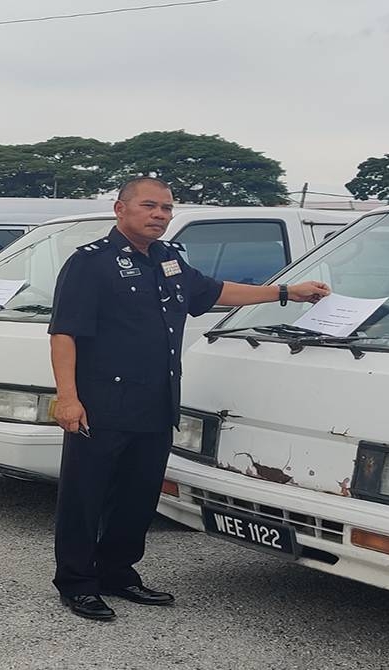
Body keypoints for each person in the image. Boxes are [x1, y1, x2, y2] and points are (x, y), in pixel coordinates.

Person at [49, 177, 330, 621]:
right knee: (85, 496)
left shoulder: (169, 260)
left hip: (156, 402)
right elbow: (65, 334)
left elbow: (216, 292)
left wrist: (284, 293)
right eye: (149, 206)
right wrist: (68, 398)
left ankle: (118, 572)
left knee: (137, 496)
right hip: (102, 402)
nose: (159, 215)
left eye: (166, 208)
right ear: (120, 209)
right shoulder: (90, 264)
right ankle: (77, 583)